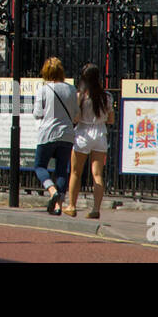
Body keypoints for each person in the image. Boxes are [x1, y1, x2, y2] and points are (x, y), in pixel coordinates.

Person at [65, 62, 114, 218]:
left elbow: (76, 118)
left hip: (83, 132)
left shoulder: (80, 95)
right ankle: (96, 209)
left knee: (75, 172)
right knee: (97, 174)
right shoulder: (106, 96)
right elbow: (111, 119)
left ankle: (72, 206)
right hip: (100, 133)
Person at [32, 56, 79, 215]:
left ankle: (52, 191)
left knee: (39, 166)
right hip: (66, 133)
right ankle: (58, 206)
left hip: (47, 133)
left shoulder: (44, 90)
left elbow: (37, 113)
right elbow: (75, 115)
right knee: (61, 170)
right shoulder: (71, 89)